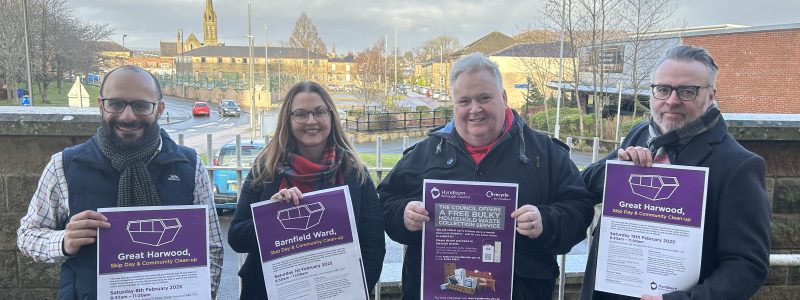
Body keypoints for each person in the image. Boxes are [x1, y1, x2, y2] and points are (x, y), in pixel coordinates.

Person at [378, 52, 595, 300]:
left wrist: (545, 222)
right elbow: (385, 202)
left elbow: (580, 209)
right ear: (454, 104)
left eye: (484, 98)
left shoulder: (545, 155)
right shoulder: (423, 155)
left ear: (503, 98)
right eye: (464, 101)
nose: (474, 109)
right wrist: (404, 215)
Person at [16, 65, 224, 299]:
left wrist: (203, 294)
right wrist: (63, 240)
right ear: (101, 106)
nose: (127, 116)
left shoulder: (189, 165)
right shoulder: (64, 165)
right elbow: (27, 236)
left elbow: (212, 248)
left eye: (141, 105)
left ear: (159, 109)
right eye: (116, 104)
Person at [580, 45, 770, 300]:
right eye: (663, 89)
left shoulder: (738, 166)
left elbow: (747, 265)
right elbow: (584, 184)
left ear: (710, 96)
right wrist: (616, 169)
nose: (671, 100)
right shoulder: (641, 134)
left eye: (687, 91)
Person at [228, 81, 386, 300]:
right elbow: (236, 237)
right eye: (301, 114)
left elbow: (373, 246)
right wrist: (270, 217)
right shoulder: (265, 169)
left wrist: (349, 292)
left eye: (319, 112)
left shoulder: (355, 173)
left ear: (331, 116)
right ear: (288, 119)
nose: (311, 121)